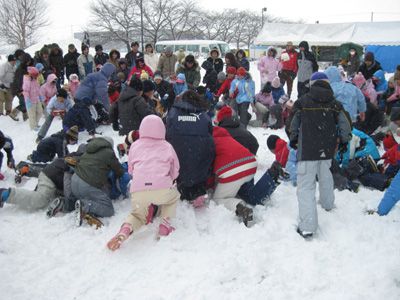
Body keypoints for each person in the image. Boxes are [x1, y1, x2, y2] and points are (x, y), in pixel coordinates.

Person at [290, 72, 352, 238]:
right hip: (327, 148)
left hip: (307, 149)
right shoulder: (335, 104)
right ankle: (327, 203)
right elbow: (346, 125)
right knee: (326, 175)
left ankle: (308, 226)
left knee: (306, 187)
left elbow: (292, 124)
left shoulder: (302, 102)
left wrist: (294, 139)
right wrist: (345, 141)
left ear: (312, 84)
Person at [107, 115, 180, 251]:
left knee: (137, 215)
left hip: (139, 190)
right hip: (162, 189)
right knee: (173, 198)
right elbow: (175, 170)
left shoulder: (135, 146)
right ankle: (165, 224)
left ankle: (126, 229)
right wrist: (170, 178)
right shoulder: (167, 147)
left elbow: (130, 170)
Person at [210, 126, 282, 226]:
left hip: (232, 169)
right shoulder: (226, 136)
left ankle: (241, 208)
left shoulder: (210, 140)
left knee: (219, 199)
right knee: (248, 195)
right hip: (250, 163)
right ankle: (271, 176)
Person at [166, 90, 215, 206]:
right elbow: (210, 134)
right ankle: (197, 192)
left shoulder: (172, 113)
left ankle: (183, 189)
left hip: (178, 164)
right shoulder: (204, 116)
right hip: (199, 163)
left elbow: (167, 134)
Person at [71, 136, 124, 224]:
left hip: (74, 180)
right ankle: (85, 206)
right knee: (109, 209)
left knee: (95, 197)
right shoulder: (108, 152)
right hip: (86, 184)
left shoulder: (88, 149)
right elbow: (119, 171)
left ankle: (67, 204)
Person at [9, 53, 32, 122]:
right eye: (28, 60)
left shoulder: (25, 67)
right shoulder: (20, 69)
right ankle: (13, 113)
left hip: (21, 88)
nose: (29, 62)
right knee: (24, 103)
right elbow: (18, 80)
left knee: (24, 102)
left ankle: (25, 117)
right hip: (18, 88)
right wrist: (19, 90)